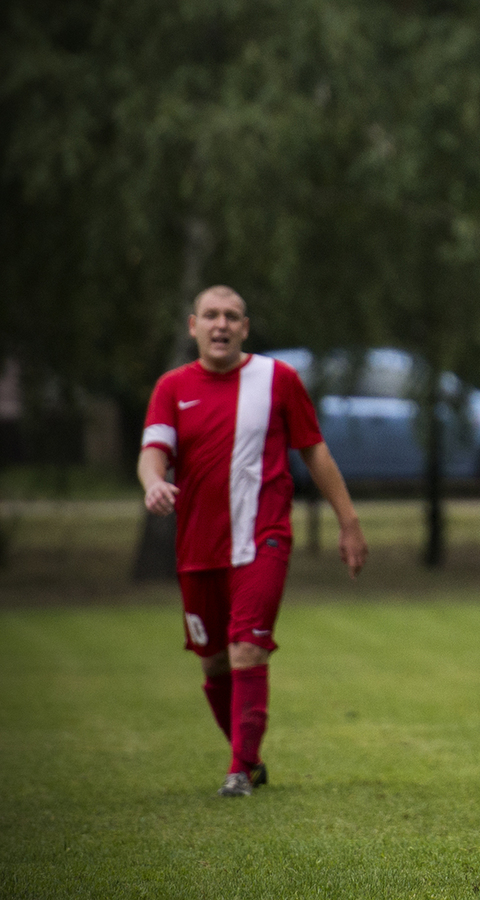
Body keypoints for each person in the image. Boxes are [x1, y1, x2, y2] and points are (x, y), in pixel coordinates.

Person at [139, 285, 368, 797]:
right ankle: (251, 758)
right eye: (211, 315)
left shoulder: (277, 379)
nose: (221, 324)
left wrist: (348, 522)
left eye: (232, 316)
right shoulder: (172, 387)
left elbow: (314, 450)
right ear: (193, 326)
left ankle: (239, 770)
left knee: (247, 648)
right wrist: (154, 482)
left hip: (264, 536)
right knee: (214, 661)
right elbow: (153, 450)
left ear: (245, 327)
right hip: (198, 547)